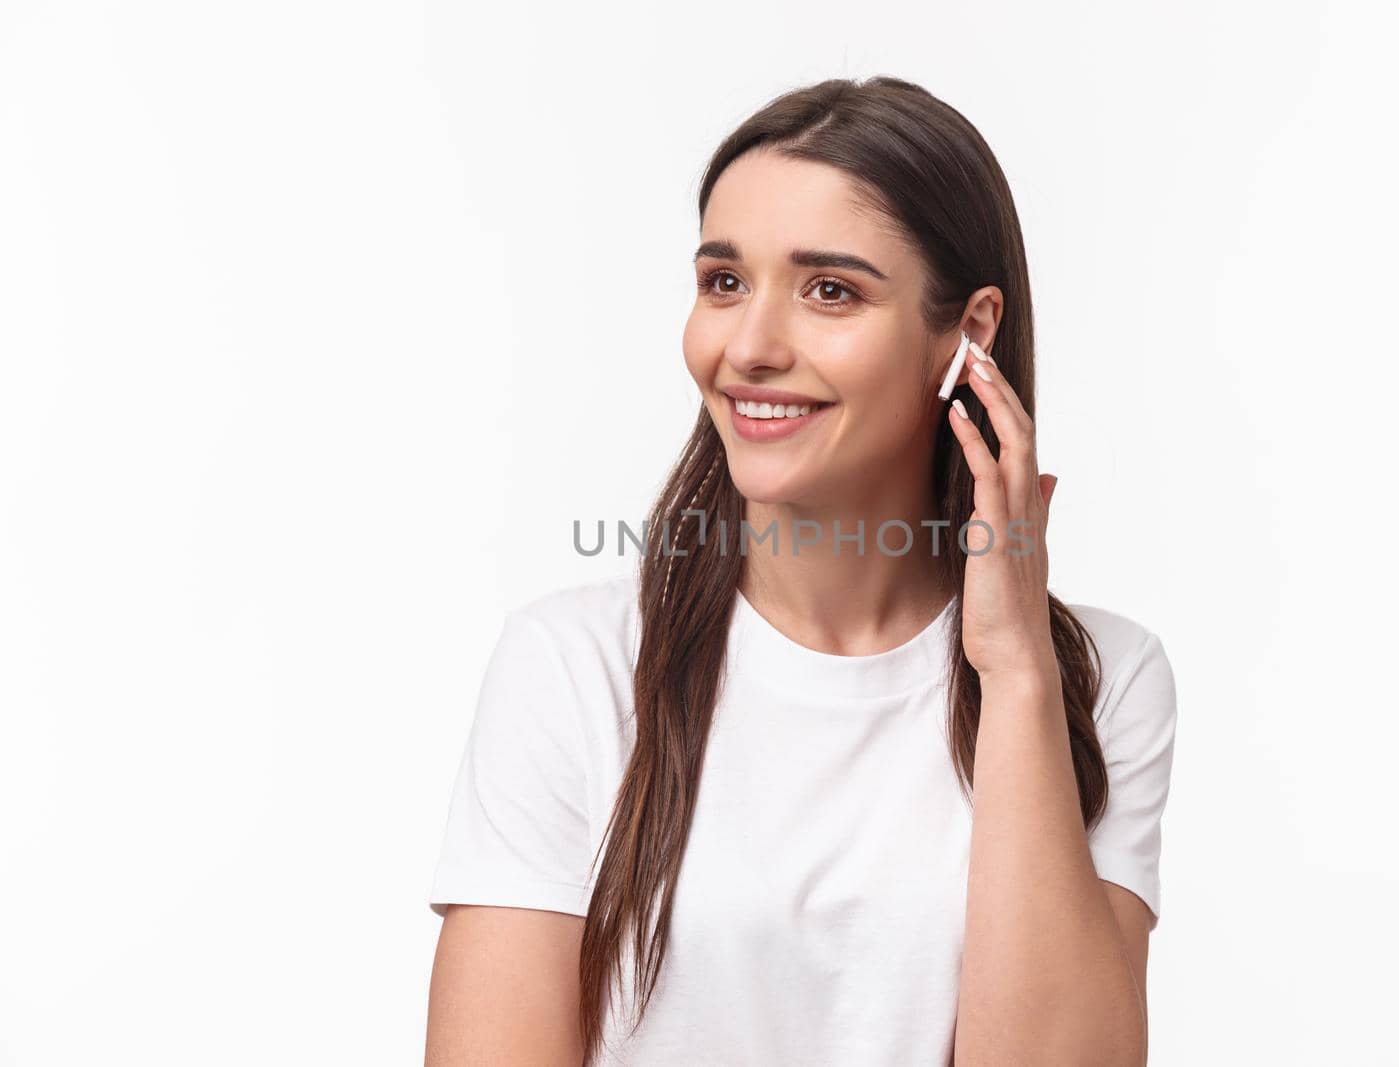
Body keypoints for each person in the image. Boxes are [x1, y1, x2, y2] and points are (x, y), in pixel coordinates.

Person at [424, 75, 1178, 1067]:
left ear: (968, 331)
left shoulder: (1099, 679)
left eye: (830, 290)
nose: (750, 346)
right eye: (723, 282)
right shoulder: (571, 667)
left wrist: (1015, 665)